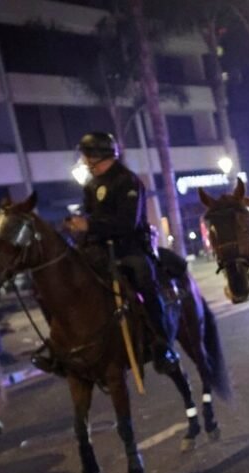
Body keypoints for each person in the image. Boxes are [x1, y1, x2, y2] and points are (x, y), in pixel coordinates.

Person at [63, 130, 178, 371]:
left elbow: (127, 223)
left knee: (144, 277)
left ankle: (162, 342)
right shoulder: (91, 185)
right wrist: (78, 228)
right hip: (98, 248)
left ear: (98, 155)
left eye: (87, 156)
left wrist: (90, 225)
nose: (84, 161)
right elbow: (90, 216)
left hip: (129, 247)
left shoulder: (127, 181)